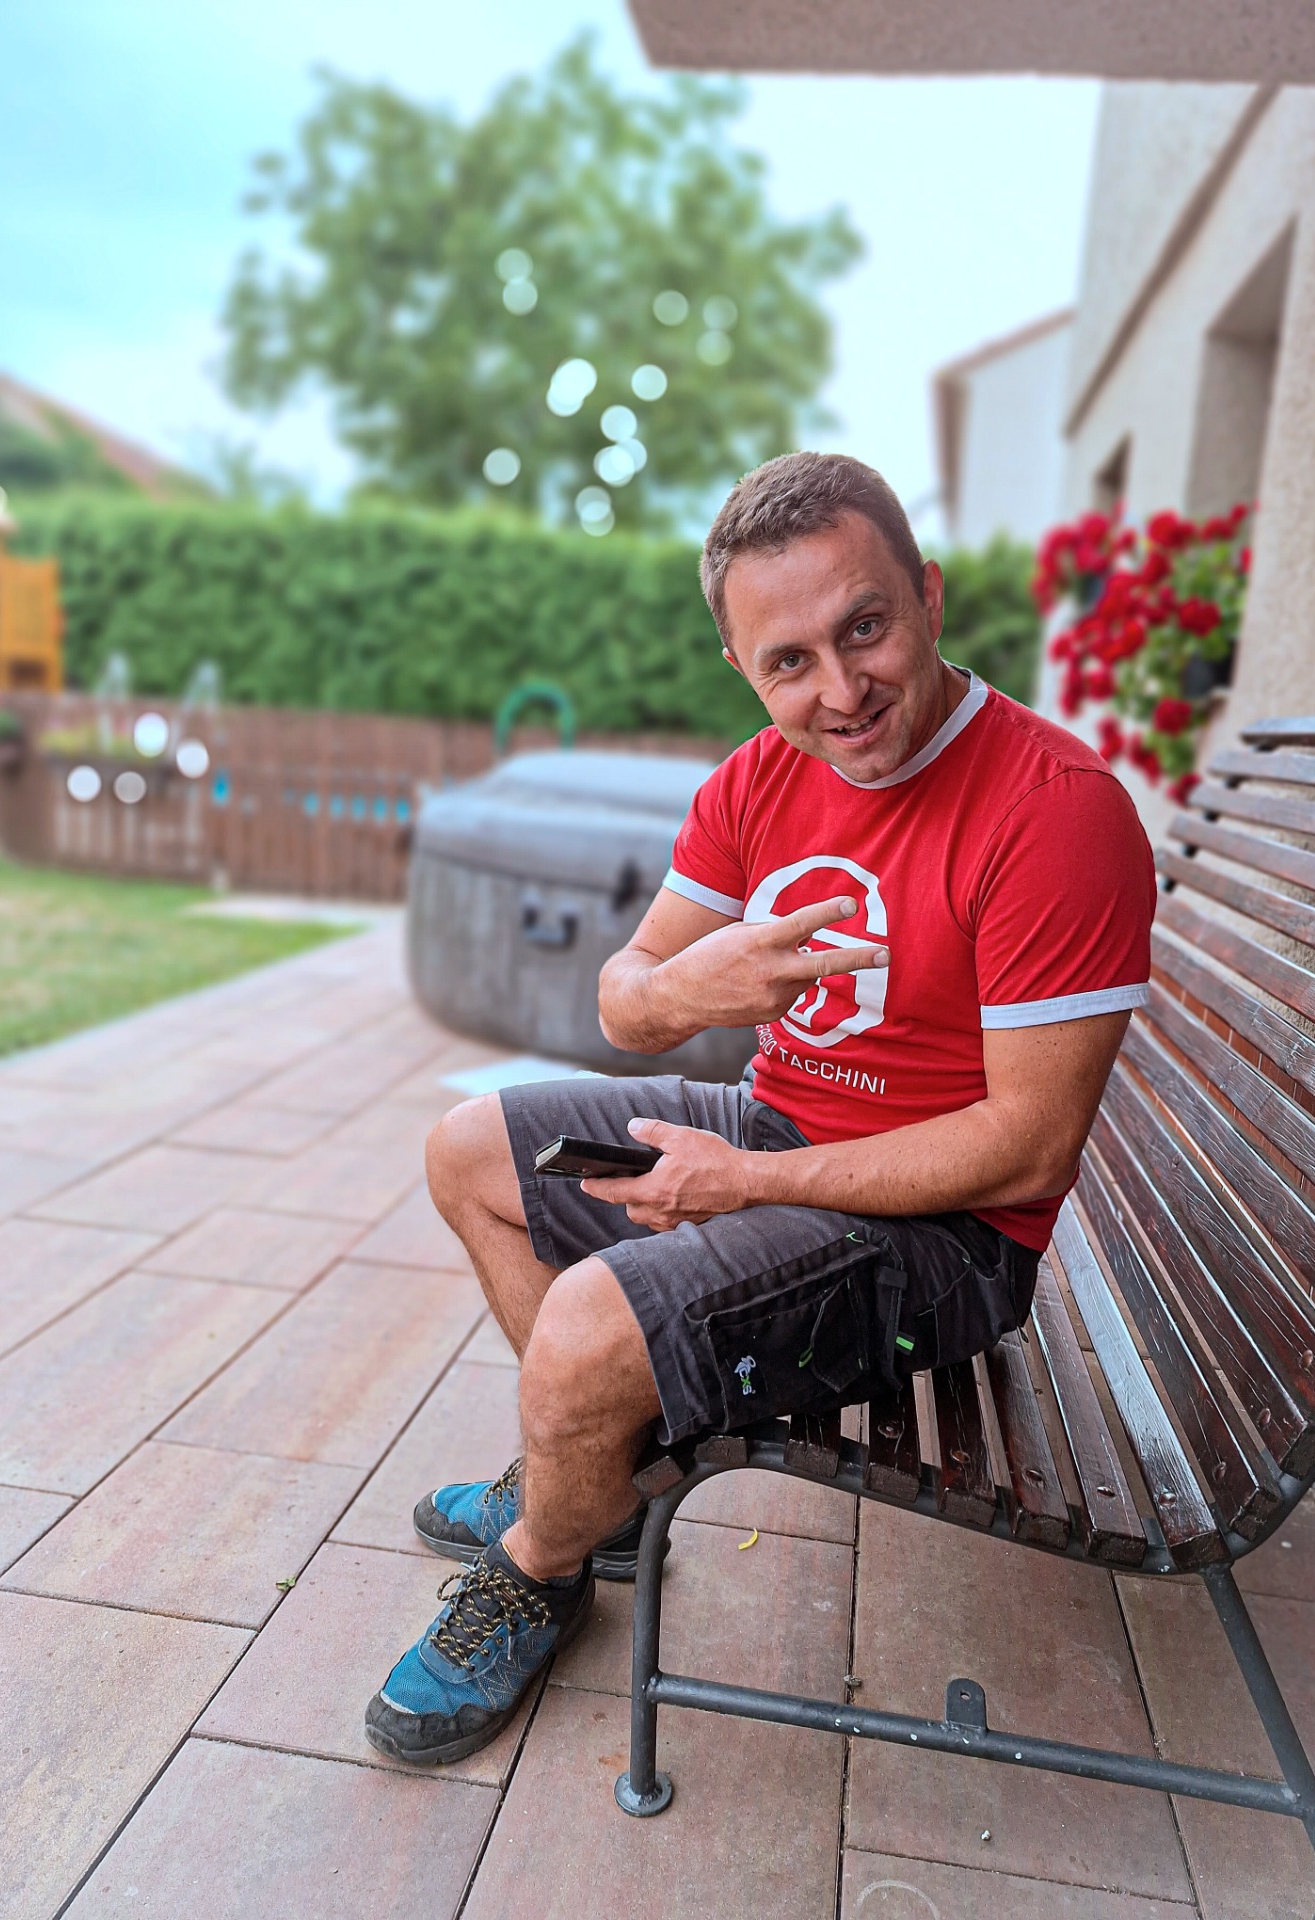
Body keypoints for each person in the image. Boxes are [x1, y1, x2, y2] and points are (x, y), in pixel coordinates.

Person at [365, 451, 1156, 1767]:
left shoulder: (1055, 814)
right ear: (742, 667)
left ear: (930, 598)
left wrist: (744, 1184)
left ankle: (543, 1564)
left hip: (951, 1238)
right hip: (783, 1131)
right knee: (470, 1153)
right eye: (790, 661)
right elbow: (625, 999)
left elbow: (1028, 1148)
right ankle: (596, 1488)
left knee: (588, 1327)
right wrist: (692, 987)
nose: (840, 691)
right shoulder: (758, 782)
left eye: (866, 628)